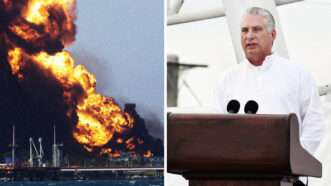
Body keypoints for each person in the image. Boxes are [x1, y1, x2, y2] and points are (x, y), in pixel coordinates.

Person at [216, 7, 324, 156]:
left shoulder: (298, 74)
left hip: (285, 173)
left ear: (273, 34)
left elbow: (314, 125)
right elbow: (217, 129)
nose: (249, 36)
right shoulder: (227, 78)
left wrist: (293, 158)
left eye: (256, 29)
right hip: (239, 171)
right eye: (244, 30)